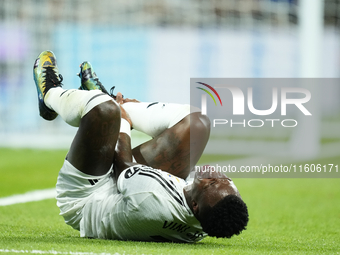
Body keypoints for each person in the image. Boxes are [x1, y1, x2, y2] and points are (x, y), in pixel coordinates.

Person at [33, 50, 249, 243]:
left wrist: (122, 118)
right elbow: (216, 198)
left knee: (105, 111)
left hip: (91, 196)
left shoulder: (152, 197)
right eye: (224, 180)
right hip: (131, 189)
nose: (215, 174)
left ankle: (50, 95)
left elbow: (122, 163)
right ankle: (111, 101)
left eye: (211, 183)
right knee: (197, 124)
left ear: (195, 206)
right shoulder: (212, 214)